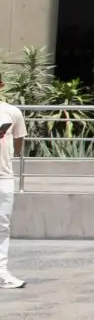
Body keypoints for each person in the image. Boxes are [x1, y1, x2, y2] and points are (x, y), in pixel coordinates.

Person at [0, 96, 26, 289]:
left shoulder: (12, 112)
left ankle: (1, 274)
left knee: (2, 227)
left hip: (3, 177)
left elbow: (18, 143)